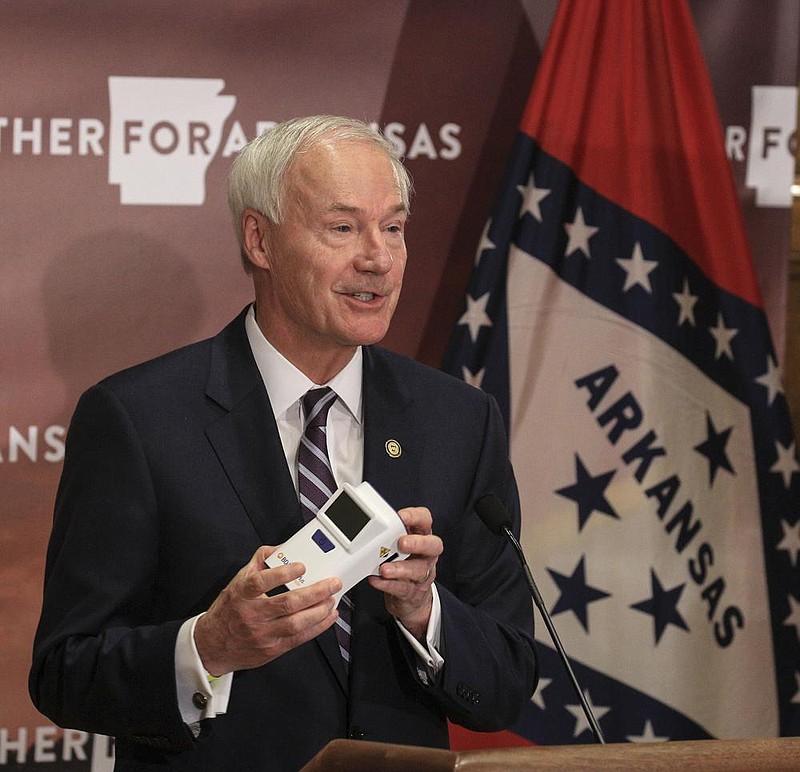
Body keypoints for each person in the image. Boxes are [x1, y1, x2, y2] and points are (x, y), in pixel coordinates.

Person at [30, 116, 537, 770]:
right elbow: (65, 673)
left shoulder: (459, 421)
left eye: (393, 228)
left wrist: (423, 610)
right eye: (343, 228)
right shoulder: (138, 419)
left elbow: (506, 683)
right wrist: (208, 647)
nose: (378, 258)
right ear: (260, 240)